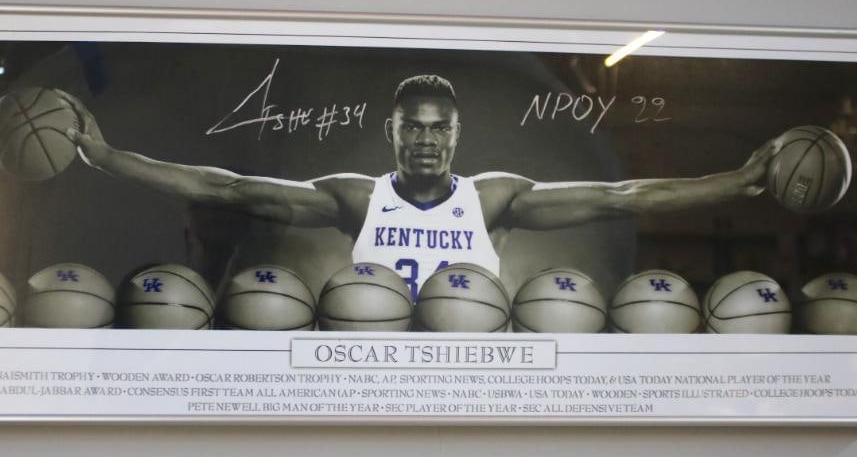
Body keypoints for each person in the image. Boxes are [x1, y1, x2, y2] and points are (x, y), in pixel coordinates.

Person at [62, 75, 776, 298]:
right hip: (382, 370)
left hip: (473, 377)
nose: (428, 139)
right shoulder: (357, 198)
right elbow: (228, 187)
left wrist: (735, 183)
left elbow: (623, 198)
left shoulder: (493, 198)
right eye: (415, 127)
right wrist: (107, 158)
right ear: (393, 133)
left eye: (440, 128)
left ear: (456, 137)